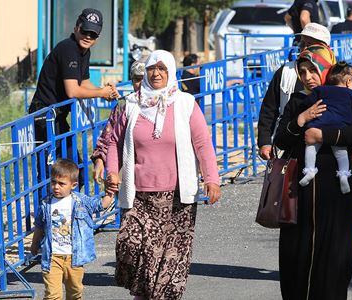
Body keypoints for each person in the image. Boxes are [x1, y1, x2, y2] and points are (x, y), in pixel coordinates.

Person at [104, 50, 221, 299]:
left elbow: (202, 143)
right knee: (132, 247)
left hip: (177, 198)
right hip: (138, 196)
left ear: (170, 71)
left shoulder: (185, 103)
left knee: (168, 261)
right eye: (151, 69)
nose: (156, 73)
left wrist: (211, 178)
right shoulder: (131, 104)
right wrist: (112, 172)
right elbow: (114, 142)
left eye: (162, 68)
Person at [273, 47, 352, 300]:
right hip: (300, 189)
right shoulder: (297, 101)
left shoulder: (344, 97)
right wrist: (301, 120)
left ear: (326, 69)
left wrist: (323, 135)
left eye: (313, 70)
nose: (307, 76)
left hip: (337, 187)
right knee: (296, 251)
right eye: (302, 71)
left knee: (335, 251)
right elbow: (281, 139)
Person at [28, 8, 119, 163]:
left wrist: (106, 92)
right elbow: (72, 91)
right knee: (52, 175)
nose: (88, 37)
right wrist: (101, 93)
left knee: (76, 173)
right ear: (76, 28)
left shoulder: (83, 51)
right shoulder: (68, 48)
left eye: (93, 34)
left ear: (98, 37)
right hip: (45, 116)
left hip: (58, 117)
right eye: (85, 31)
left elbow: (84, 83)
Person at [30, 159, 116, 300]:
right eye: (53, 182)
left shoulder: (81, 201)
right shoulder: (46, 203)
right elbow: (39, 226)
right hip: (52, 257)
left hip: (74, 257)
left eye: (61, 183)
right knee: (52, 295)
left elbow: (102, 205)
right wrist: (34, 244)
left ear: (73, 185)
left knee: (75, 292)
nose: (56, 187)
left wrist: (110, 192)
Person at [298, 61, 352, 193]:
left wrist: (304, 112)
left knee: (311, 148)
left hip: (318, 125)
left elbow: (306, 103)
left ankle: (310, 170)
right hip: (338, 128)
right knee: (341, 154)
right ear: (348, 81)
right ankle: (343, 176)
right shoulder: (351, 94)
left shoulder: (320, 90)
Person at [257, 23, 330, 161]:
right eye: (304, 43)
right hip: (292, 150)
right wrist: (265, 141)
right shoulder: (285, 72)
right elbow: (269, 108)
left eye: (313, 44)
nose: (307, 48)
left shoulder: (337, 75)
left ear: (326, 48)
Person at [91, 60, 146, 183]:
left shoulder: (166, 103)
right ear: (132, 81)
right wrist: (100, 160)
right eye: (137, 79)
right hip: (129, 172)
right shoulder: (123, 105)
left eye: (145, 79)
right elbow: (109, 137)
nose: (142, 84)